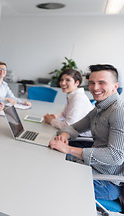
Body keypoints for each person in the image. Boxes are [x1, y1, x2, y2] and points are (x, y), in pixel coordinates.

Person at [49, 64, 124, 201]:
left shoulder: (119, 111)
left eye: (101, 83)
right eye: (91, 83)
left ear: (115, 86)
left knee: (52, 183)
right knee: (48, 165)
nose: (95, 88)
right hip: (89, 168)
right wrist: (64, 136)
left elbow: (116, 156)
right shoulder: (100, 108)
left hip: (105, 182)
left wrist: (68, 149)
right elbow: (75, 127)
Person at [44, 69, 94, 148]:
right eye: (62, 80)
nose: (63, 83)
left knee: (47, 142)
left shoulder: (78, 98)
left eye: (68, 80)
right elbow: (64, 114)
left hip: (82, 140)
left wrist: (51, 121)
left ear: (77, 82)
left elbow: (68, 126)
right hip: (76, 135)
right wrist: (54, 116)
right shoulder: (72, 94)